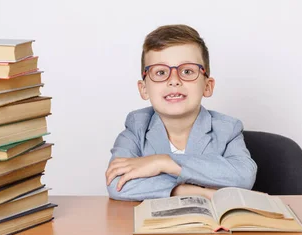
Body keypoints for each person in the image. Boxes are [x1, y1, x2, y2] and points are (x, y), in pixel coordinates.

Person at [105, 24, 257, 201]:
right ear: (144, 89)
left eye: (187, 71)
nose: (174, 81)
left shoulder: (227, 130)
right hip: (157, 226)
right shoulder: (136, 128)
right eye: (161, 72)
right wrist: (189, 191)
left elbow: (244, 176)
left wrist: (164, 162)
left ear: (207, 86)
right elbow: (116, 183)